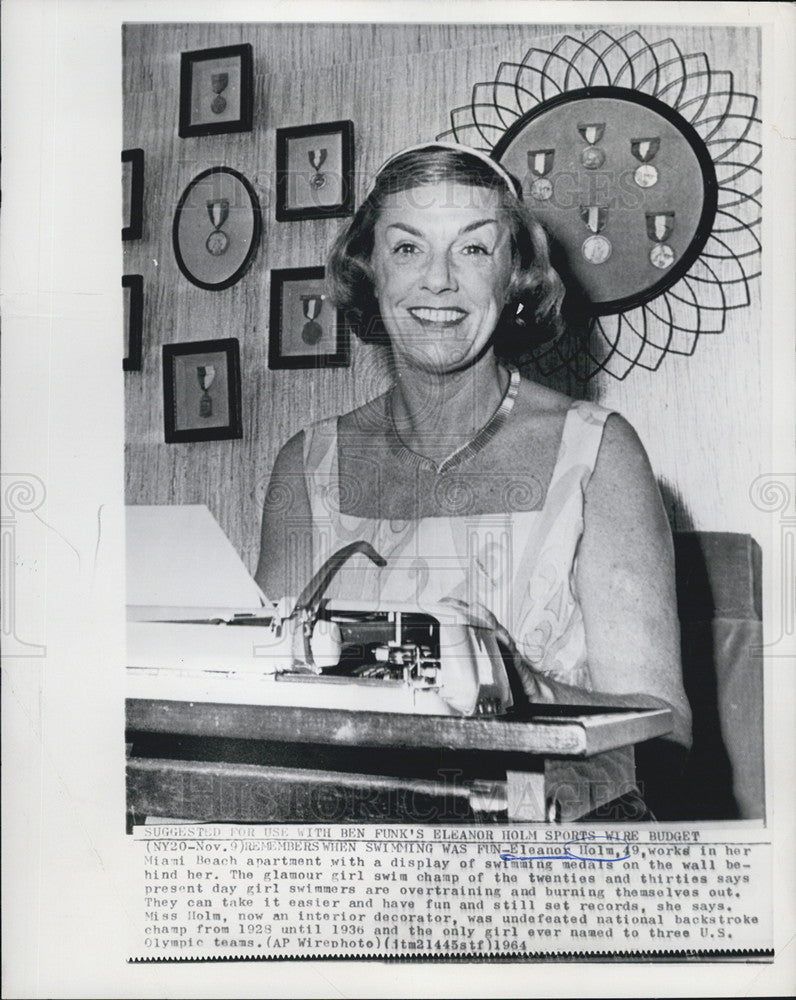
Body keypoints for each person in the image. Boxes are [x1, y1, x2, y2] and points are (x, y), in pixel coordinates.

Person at [255, 142, 692, 820]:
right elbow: (259, 696)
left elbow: (665, 730)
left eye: (474, 250)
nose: (438, 280)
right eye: (407, 249)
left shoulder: (600, 452)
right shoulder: (304, 464)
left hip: (546, 852)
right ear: (368, 271)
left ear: (516, 275)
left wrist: (518, 686)